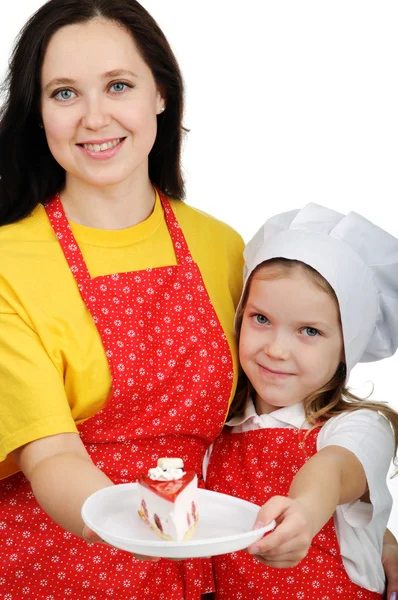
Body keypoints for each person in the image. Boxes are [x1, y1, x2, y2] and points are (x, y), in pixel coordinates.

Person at [0, 1, 244, 598]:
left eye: (118, 85)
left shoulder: (224, 247)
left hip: (208, 563)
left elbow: (270, 415)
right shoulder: (7, 262)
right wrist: (147, 526)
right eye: (63, 94)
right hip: (58, 565)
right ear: (37, 113)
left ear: (160, 92)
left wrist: (357, 528)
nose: (94, 117)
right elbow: (52, 454)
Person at [206, 204, 398, 599]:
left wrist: (307, 512)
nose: (276, 349)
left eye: (309, 330)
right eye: (261, 319)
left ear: (349, 346)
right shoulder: (218, 426)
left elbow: (333, 471)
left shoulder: (359, 428)